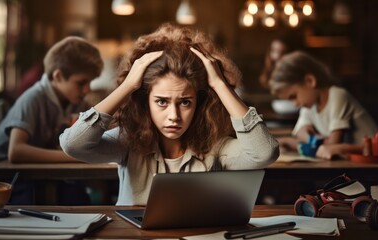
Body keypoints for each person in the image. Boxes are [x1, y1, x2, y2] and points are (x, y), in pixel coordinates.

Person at [59, 23, 279, 206]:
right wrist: (126, 87)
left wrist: (219, 84)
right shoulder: (128, 142)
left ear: (198, 103)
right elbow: (73, 145)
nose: (174, 115)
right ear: (145, 102)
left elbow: (264, 153)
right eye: (161, 102)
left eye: (185, 102)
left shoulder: (215, 147)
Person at [0, 36, 104, 204]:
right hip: (0, 178)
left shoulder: (75, 101)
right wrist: (75, 155)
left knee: (78, 197)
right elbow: (16, 151)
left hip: (34, 172)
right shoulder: (33, 98)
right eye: (81, 83)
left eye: (90, 82)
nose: (87, 90)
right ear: (57, 76)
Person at [269, 51, 378, 159]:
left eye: (293, 96)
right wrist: (309, 140)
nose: (295, 104)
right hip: (352, 162)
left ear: (310, 81)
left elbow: (332, 145)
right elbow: (301, 133)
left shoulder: (337, 95)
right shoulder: (309, 106)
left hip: (375, 160)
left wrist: (292, 141)